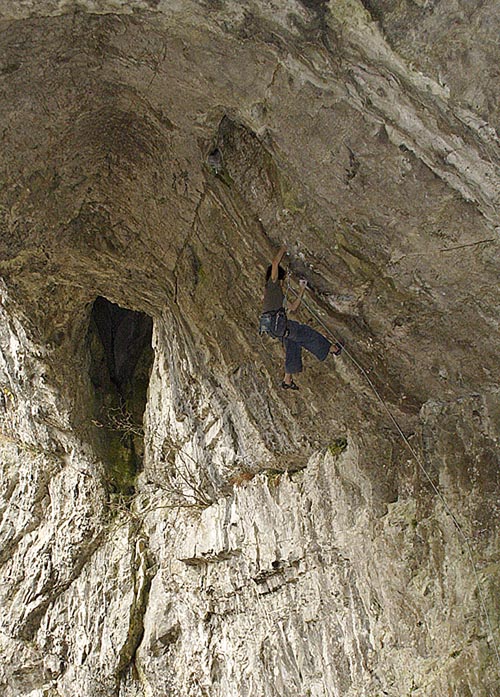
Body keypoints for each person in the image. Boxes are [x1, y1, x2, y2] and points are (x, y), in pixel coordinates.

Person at [260, 244, 343, 390]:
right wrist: (284, 247)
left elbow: (293, 308)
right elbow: (274, 263)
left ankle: (287, 380)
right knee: (307, 333)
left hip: (274, 328)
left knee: (293, 345)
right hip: (279, 325)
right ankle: (333, 349)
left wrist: (302, 289)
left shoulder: (274, 295)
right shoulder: (272, 285)